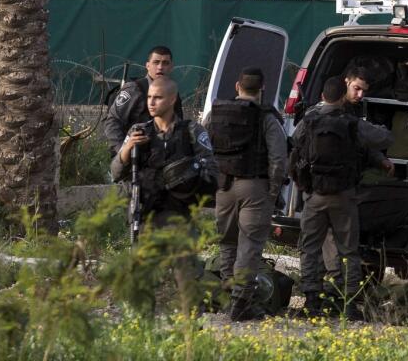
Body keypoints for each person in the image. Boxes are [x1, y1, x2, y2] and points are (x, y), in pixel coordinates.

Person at [291, 74, 393, 319]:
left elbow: (295, 143)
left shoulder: (309, 119)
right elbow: (384, 138)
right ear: (342, 95)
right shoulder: (351, 123)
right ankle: (348, 304)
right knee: (349, 250)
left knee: (309, 248)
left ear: (323, 96)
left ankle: (312, 300)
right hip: (344, 195)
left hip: (314, 194)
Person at [111, 78, 218, 300]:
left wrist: (189, 175)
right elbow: (115, 172)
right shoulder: (138, 132)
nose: (151, 102)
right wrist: (128, 147)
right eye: (149, 97)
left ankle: (190, 326)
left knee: (187, 278)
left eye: (157, 97)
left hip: (179, 217)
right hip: (146, 216)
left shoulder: (191, 131)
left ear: (172, 99)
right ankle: (142, 326)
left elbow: (212, 169)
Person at [205, 67, 287, 321]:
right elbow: (278, 158)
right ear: (262, 89)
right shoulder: (267, 118)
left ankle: (230, 294)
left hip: (223, 187)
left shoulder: (216, 114)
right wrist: (273, 191)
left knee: (228, 242)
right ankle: (242, 302)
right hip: (255, 187)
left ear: (237, 86)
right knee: (249, 245)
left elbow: (203, 144)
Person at [102, 46, 181, 155]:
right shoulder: (135, 89)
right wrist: (123, 152)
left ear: (171, 67)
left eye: (165, 63)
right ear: (147, 65)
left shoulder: (172, 93)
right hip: (135, 159)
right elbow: (112, 121)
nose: (160, 67)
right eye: (156, 62)